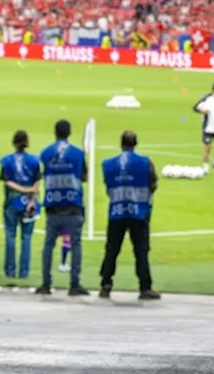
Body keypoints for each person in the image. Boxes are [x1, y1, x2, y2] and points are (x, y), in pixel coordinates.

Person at [98, 130, 162, 301]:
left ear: (121, 144)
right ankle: (145, 287)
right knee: (141, 251)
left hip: (117, 211)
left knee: (112, 250)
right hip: (139, 212)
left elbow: (108, 185)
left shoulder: (109, 164)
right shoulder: (145, 162)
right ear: (135, 143)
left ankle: (105, 284)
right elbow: (153, 184)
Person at [37, 119, 89, 296]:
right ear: (69, 132)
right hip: (73, 204)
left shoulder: (45, 153)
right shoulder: (77, 153)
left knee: (48, 245)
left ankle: (45, 284)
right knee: (75, 244)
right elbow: (84, 177)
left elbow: (43, 173)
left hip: (53, 204)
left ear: (55, 132)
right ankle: (74, 284)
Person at [0, 130, 41, 280]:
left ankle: (10, 271)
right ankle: (24, 272)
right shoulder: (34, 161)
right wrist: (31, 199)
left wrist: (22, 189)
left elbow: (7, 181)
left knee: (10, 236)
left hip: (12, 201)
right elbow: (37, 183)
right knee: (27, 237)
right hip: (29, 202)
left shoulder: (7, 161)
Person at [193, 82, 214, 174]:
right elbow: (195, 107)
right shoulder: (207, 98)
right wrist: (202, 111)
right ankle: (205, 167)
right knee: (208, 148)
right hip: (208, 127)